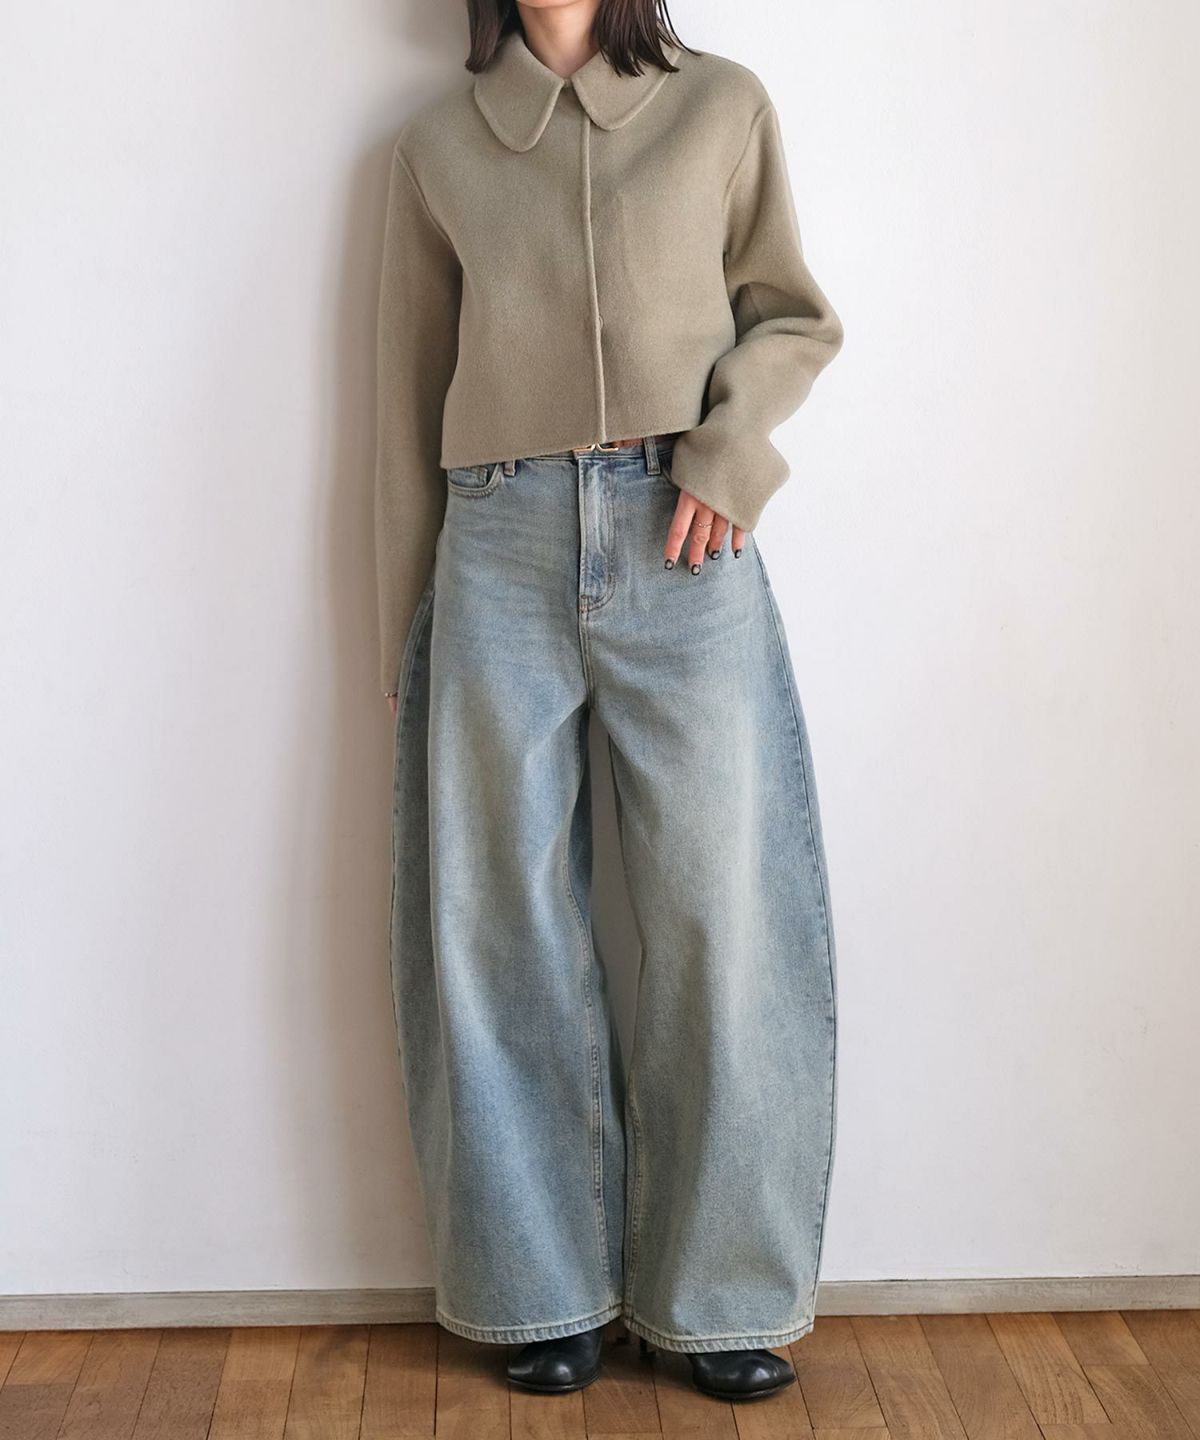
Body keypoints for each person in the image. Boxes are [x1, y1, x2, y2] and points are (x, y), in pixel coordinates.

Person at [374, 0, 844, 1404]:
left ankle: (722, 1298)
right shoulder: (437, 144)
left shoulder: (721, 106)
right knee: (494, 922)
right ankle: (541, 1292)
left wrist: (728, 462)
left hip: (681, 534)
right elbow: (401, 403)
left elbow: (793, 316)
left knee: (723, 913)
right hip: (494, 544)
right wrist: (402, 632)